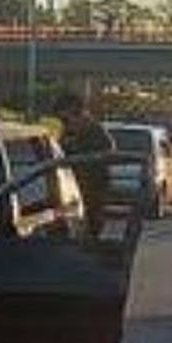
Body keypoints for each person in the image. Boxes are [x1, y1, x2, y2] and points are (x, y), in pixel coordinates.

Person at [57, 92, 115, 239]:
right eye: (63, 120)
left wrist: (81, 152)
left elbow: (108, 151)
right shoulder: (67, 132)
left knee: (91, 225)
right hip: (70, 186)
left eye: (67, 118)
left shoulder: (95, 130)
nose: (65, 123)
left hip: (92, 186)